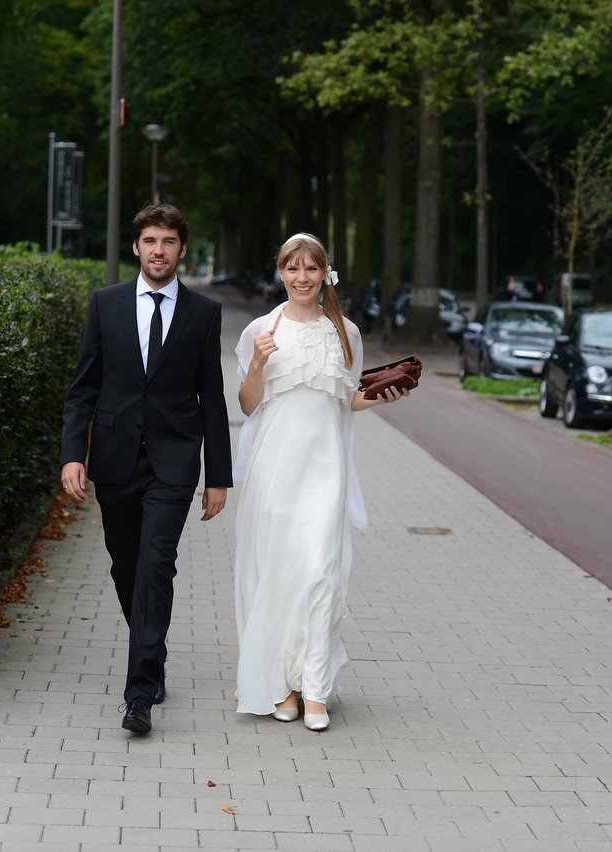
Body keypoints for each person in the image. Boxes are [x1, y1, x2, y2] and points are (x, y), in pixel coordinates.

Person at [60, 202, 232, 735]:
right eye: (150, 241)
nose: (159, 251)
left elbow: (212, 396)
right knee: (125, 566)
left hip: (174, 460)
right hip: (114, 458)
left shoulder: (203, 313)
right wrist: (73, 453)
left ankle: (140, 694)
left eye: (169, 242)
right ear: (136, 247)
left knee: (156, 565)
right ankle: (151, 654)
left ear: (182, 249)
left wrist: (218, 476)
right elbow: (83, 387)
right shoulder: (106, 304)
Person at [231, 232, 407, 732]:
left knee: (321, 569)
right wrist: (261, 361)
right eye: (292, 268)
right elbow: (247, 404)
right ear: (281, 273)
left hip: (324, 467)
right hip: (274, 467)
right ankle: (283, 685)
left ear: (324, 273)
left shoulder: (344, 332)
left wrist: (381, 397)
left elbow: (346, 398)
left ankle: (315, 689)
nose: (301, 278)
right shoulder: (260, 330)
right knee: (278, 572)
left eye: (311, 269)